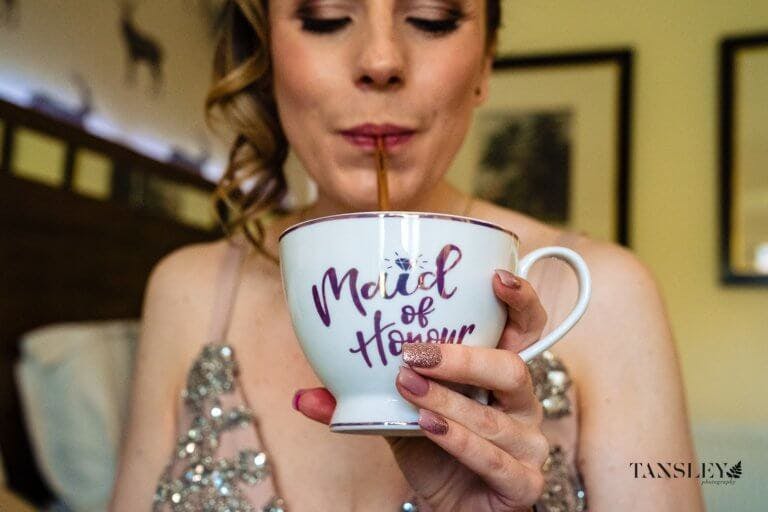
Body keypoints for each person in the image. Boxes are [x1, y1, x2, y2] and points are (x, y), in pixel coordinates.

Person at [110, 1, 705, 510]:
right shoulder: (186, 291)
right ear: (267, 58)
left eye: (431, 17)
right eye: (324, 17)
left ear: (486, 62)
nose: (380, 62)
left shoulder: (604, 293)